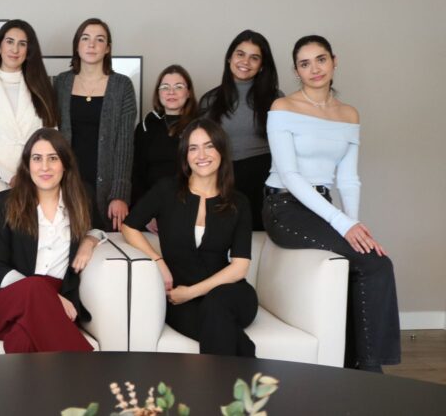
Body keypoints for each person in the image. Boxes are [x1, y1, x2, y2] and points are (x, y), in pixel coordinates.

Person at [263, 35, 399, 372]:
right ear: (296, 71)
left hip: (322, 206)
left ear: (334, 61)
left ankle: (356, 365)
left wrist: (355, 226)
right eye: (305, 63)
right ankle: (369, 370)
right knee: (376, 265)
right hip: (284, 208)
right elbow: (290, 175)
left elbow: (348, 179)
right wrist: (343, 224)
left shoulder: (348, 114)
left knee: (371, 261)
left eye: (320, 59)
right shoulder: (282, 108)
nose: (314, 69)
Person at [121, 119, 258, 357]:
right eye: (193, 148)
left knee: (216, 305)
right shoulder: (166, 190)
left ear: (222, 150)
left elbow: (239, 267)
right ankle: (245, 375)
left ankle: (226, 381)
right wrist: (158, 261)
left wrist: (191, 292)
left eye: (209, 146)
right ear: (185, 155)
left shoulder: (239, 202)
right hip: (181, 302)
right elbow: (129, 226)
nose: (201, 155)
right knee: (222, 329)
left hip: (231, 295)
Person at [0, 128, 101, 353]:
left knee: (23, 340)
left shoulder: (82, 198)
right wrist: (49, 298)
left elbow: (101, 228)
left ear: (65, 164)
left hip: (53, 304)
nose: (44, 167)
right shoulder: (4, 203)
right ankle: (89, 368)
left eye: (53, 158)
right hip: (5, 300)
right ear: (27, 165)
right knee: (35, 288)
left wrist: (89, 240)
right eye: (37, 158)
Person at [0, 19, 58, 227]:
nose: (15, 49)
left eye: (22, 44)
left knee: (34, 244)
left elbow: (54, 142)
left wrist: (29, 178)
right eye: (10, 42)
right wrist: (12, 178)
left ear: (29, 51)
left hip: (37, 184)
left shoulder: (43, 89)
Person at [54, 18, 137, 230]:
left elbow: (125, 144)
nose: (92, 44)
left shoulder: (122, 86)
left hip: (106, 187)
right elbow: (52, 136)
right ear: (77, 45)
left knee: (104, 243)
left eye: (99, 39)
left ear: (107, 48)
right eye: (85, 38)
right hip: (66, 182)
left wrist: (119, 194)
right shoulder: (61, 83)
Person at [199, 30, 280, 230]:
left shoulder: (276, 99)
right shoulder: (210, 100)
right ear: (229, 58)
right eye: (240, 54)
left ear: (262, 65)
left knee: (260, 239)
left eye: (254, 57)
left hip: (263, 180)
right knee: (220, 238)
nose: (246, 62)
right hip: (222, 179)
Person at [132, 65, 198, 208]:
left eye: (178, 87)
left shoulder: (200, 127)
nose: (171, 92)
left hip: (190, 204)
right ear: (158, 93)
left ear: (188, 93)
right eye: (165, 87)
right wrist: (146, 211)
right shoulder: (145, 127)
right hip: (152, 204)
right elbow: (137, 174)